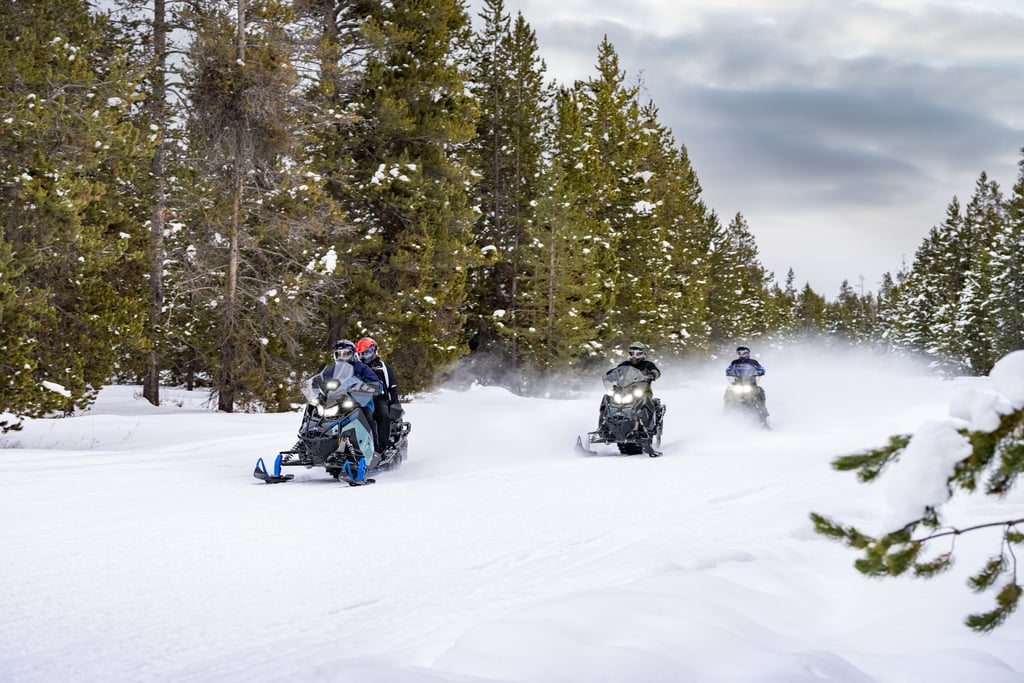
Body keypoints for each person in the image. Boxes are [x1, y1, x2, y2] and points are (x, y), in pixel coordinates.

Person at [322, 339, 385, 450]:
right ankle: (314, 445)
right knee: (318, 418)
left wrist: (371, 387)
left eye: (345, 354)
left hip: (360, 403)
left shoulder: (361, 368)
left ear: (352, 354)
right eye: (339, 354)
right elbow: (320, 381)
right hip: (335, 403)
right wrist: (316, 388)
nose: (342, 357)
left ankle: (375, 450)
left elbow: (377, 383)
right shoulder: (331, 370)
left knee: (367, 419)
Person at [601, 341, 662, 432]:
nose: (634, 356)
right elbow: (616, 371)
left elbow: (656, 372)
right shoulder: (625, 364)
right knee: (607, 398)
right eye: (632, 353)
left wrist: (652, 374)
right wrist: (611, 374)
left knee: (644, 400)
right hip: (623, 391)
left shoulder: (648, 365)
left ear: (643, 354)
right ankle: (603, 426)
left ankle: (648, 428)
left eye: (638, 354)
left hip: (641, 391)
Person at [356, 336, 404, 451]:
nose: (364, 356)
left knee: (382, 414)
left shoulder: (383, 367)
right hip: (358, 399)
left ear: (374, 350)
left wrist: (394, 403)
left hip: (378, 398)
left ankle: (383, 446)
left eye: (366, 352)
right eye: (361, 354)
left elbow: (392, 387)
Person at [725, 345, 767, 410]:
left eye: (743, 352)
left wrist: (760, 371)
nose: (741, 354)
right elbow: (728, 369)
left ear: (747, 353)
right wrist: (729, 372)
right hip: (738, 382)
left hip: (751, 382)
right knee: (729, 390)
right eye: (739, 353)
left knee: (759, 390)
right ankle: (727, 410)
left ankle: (763, 410)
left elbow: (761, 368)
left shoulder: (753, 362)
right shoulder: (735, 362)